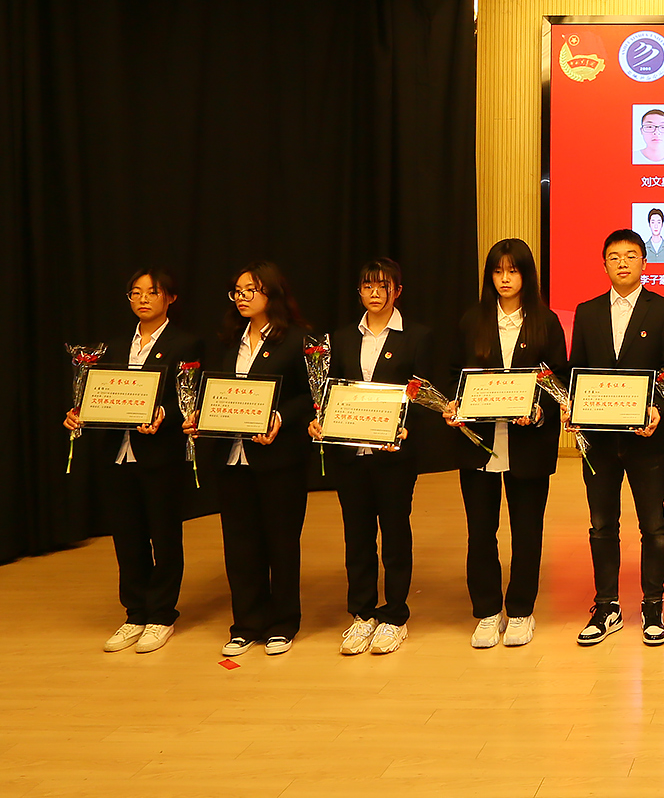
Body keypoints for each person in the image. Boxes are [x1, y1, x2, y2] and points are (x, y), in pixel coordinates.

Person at [65, 268, 203, 655]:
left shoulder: (185, 343)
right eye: (135, 293)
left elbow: (190, 398)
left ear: (170, 298)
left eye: (152, 292)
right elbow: (101, 397)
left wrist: (165, 415)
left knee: (164, 536)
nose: (143, 299)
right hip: (117, 455)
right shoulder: (111, 348)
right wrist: (79, 414)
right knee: (127, 537)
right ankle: (135, 613)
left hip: (160, 455)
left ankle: (161, 615)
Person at [447, 238, 567, 650]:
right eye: (498, 271)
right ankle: (486, 610)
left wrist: (539, 411)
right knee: (480, 532)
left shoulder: (545, 322)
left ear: (526, 276)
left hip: (528, 444)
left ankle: (520, 610)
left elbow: (558, 380)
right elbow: (454, 375)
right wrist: (454, 403)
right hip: (479, 443)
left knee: (527, 531)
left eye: (513, 271)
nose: (504, 279)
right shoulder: (472, 320)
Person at [190, 262, 314, 657]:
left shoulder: (296, 340)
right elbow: (217, 390)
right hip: (231, 457)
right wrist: (201, 415)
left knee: (281, 543)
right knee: (240, 545)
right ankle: (246, 623)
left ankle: (283, 623)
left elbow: (310, 396)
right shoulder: (230, 340)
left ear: (272, 293)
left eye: (250, 290)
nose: (242, 298)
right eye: (237, 291)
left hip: (279, 458)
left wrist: (281, 417)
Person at [568, 229, 664, 648]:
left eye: (631, 255)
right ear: (604, 264)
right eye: (614, 256)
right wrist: (571, 405)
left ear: (644, 263)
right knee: (602, 525)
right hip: (598, 438)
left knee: (653, 525)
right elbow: (577, 368)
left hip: (646, 436)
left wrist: (658, 407)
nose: (622, 263)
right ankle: (606, 607)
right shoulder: (587, 311)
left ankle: (652, 605)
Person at [314, 259, 432, 657]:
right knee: (357, 536)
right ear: (359, 291)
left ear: (397, 291)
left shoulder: (416, 336)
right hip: (351, 454)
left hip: (394, 456)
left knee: (395, 535)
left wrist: (406, 425)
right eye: (368, 286)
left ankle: (395, 615)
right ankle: (362, 614)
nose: (375, 293)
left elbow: (424, 393)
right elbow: (331, 390)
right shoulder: (342, 337)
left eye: (384, 286)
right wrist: (321, 419)